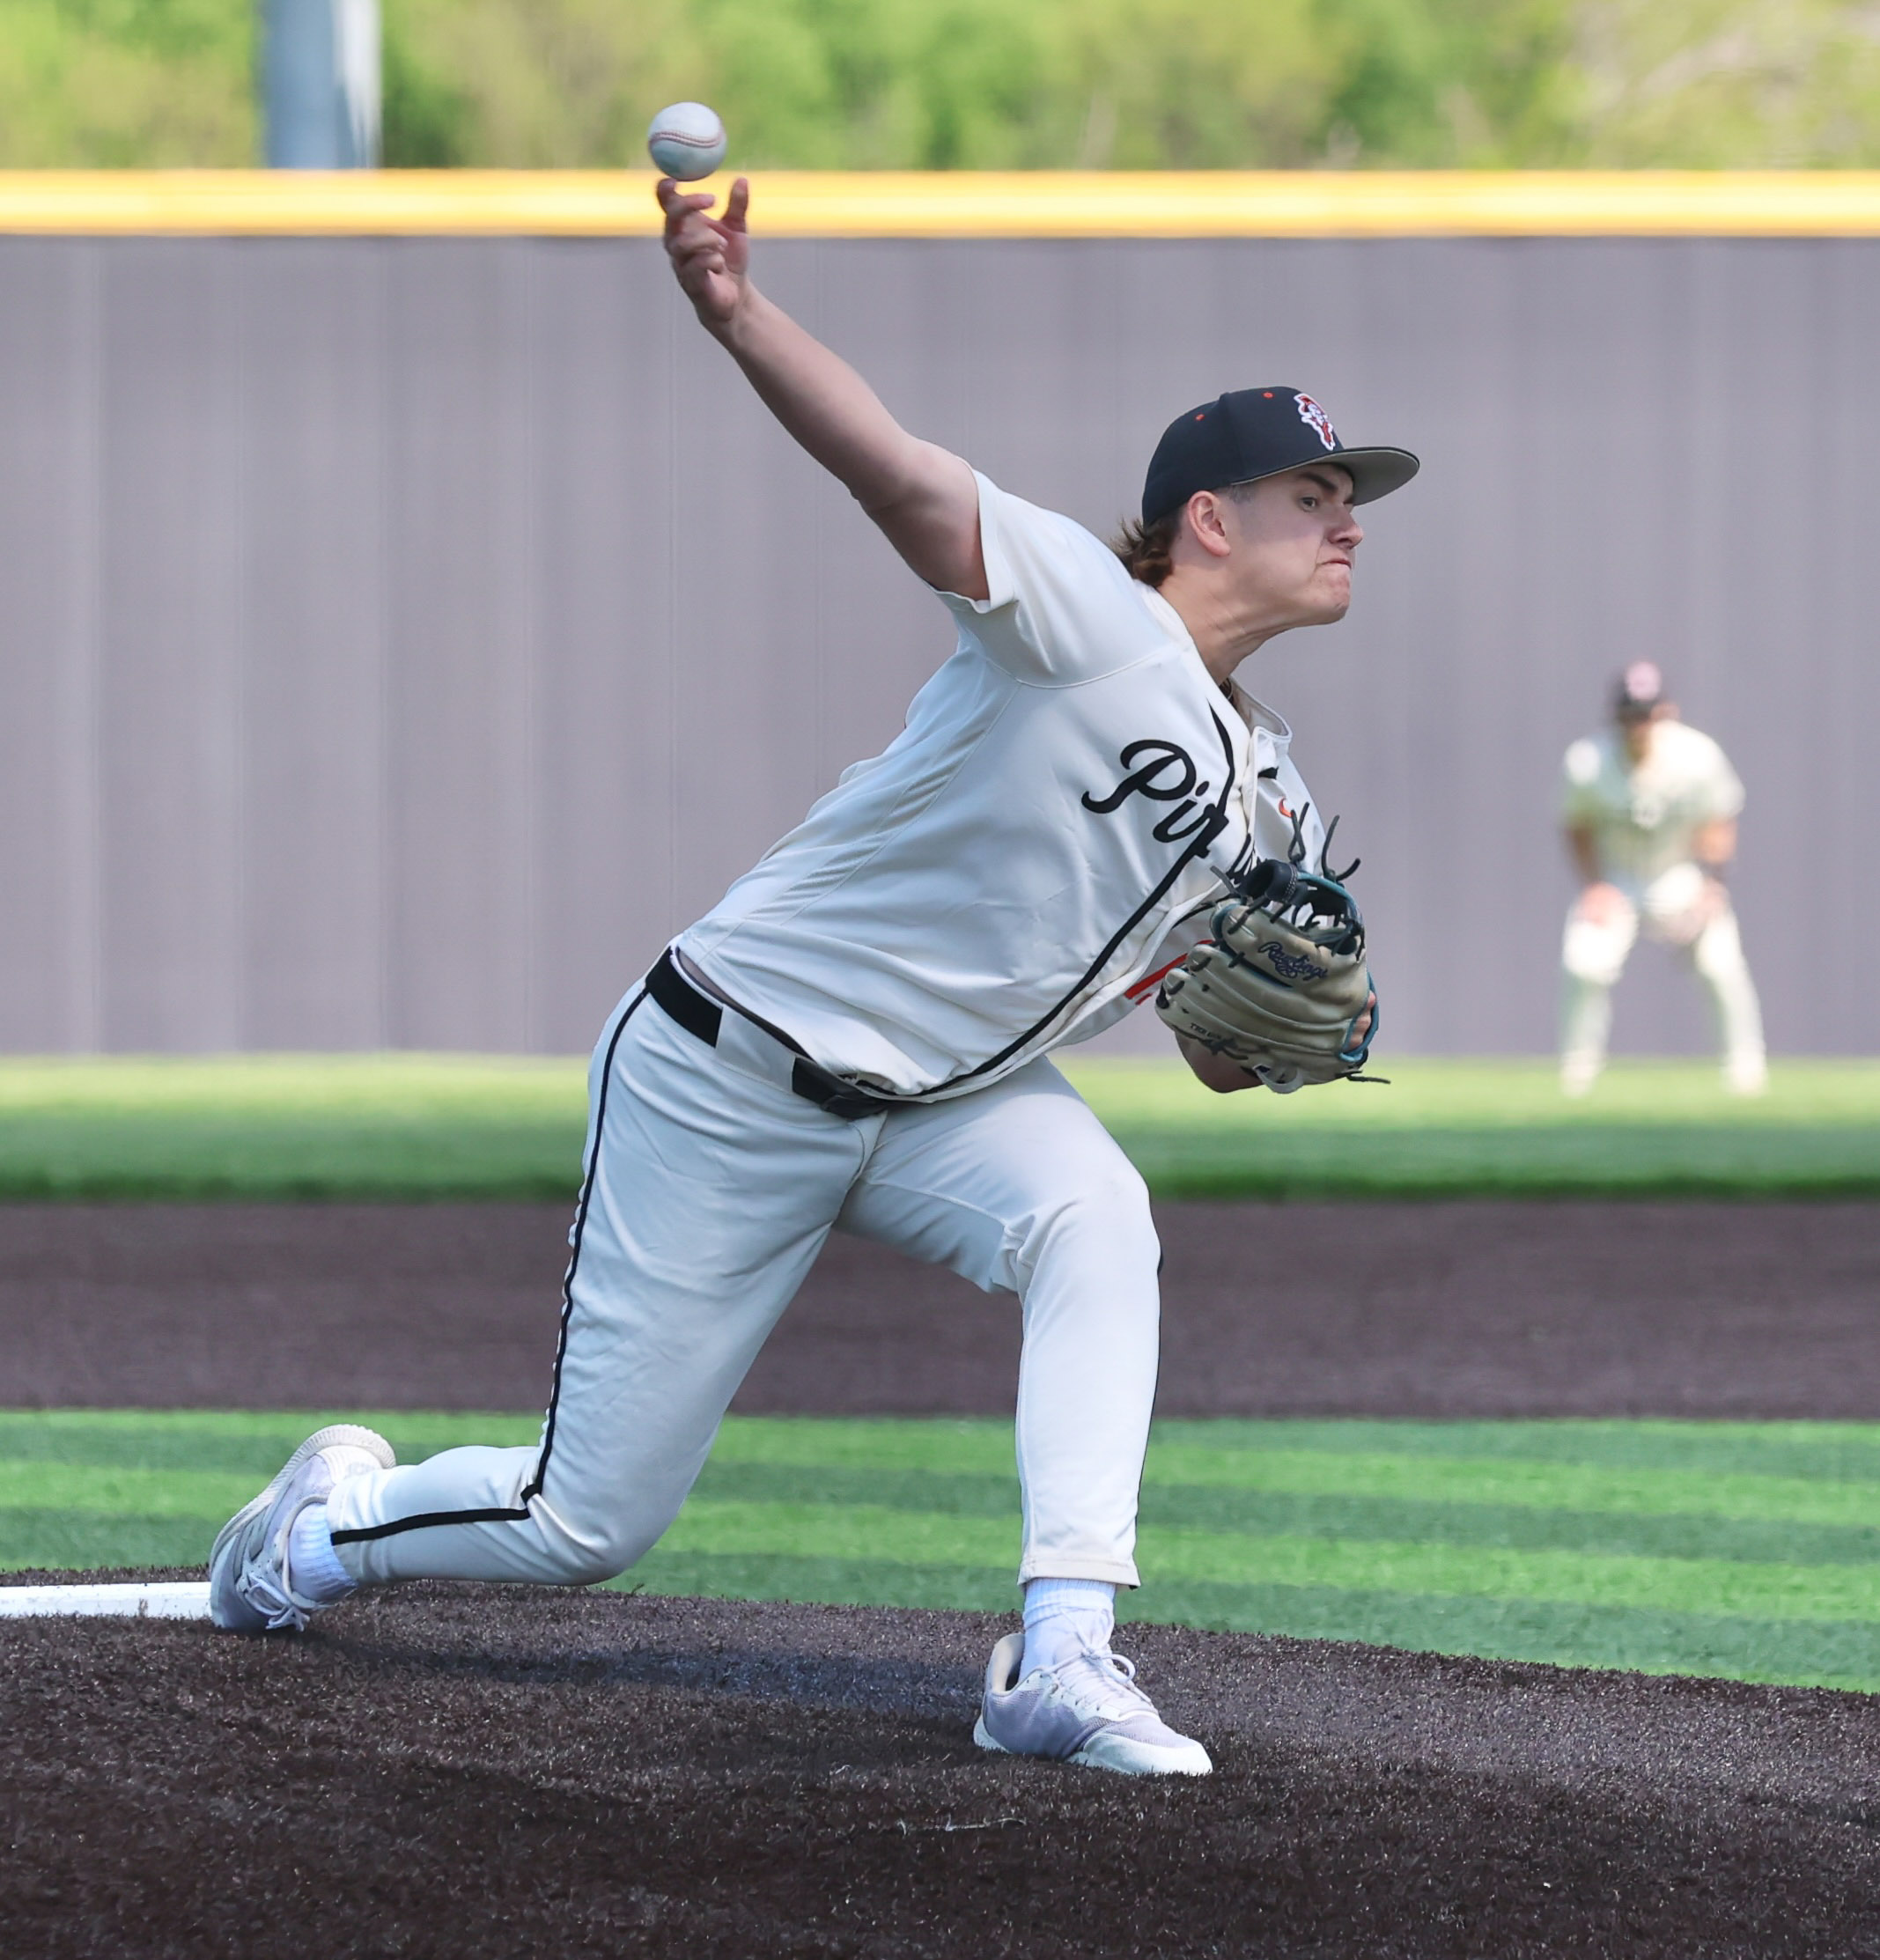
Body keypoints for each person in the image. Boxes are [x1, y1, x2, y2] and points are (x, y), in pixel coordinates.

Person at [208, 177, 1417, 1778]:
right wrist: (734, 313)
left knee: (1097, 1218)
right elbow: (893, 470)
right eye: (1313, 492)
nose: (1348, 521)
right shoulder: (1086, 615)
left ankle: (1062, 1652)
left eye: (1348, 498)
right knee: (585, 1520)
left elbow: (1208, 1048)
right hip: (729, 1066)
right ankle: (321, 1531)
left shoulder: (1273, 803)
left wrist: (1289, 1030)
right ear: (1208, 518)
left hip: (942, 1101)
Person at [1559, 660, 1766, 1097]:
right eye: (1630, 714)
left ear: (1666, 712)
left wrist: (1712, 886)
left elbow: (1719, 819)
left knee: (1721, 965)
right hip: (1619, 879)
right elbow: (1577, 827)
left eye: (1647, 713)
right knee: (1584, 963)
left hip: (1678, 876)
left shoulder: (1697, 756)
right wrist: (1595, 886)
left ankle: (1745, 1069)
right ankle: (1577, 1072)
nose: (1639, 725)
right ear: (1615, 717)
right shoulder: (1589, 761)